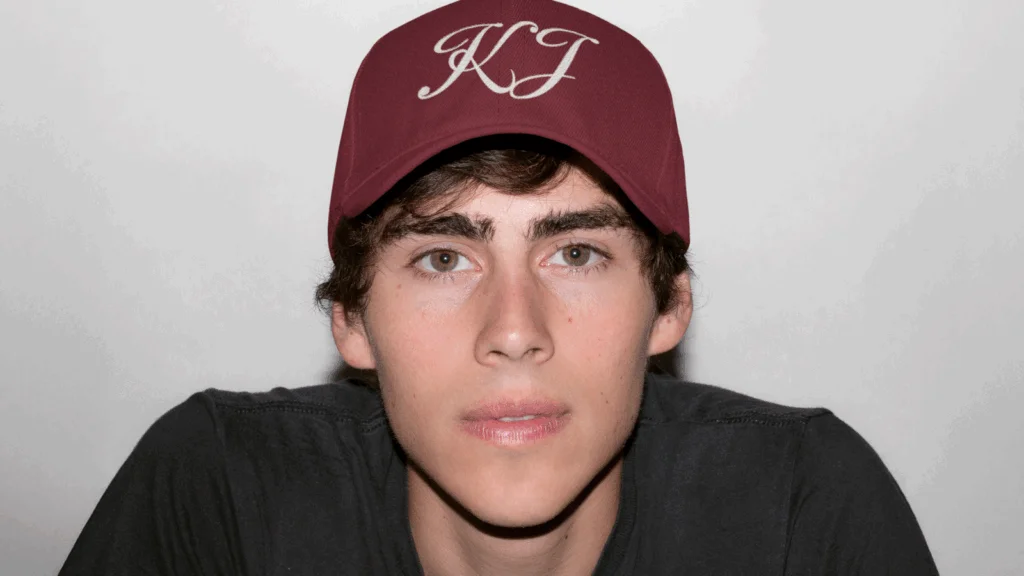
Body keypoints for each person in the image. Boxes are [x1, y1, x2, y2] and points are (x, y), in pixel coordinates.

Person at [60, 0, 939, 574]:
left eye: (577, 253)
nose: (514, 331)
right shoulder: (219, 497)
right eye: (444, 258)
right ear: (352, 320)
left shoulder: (802, 513)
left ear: (668, 306)